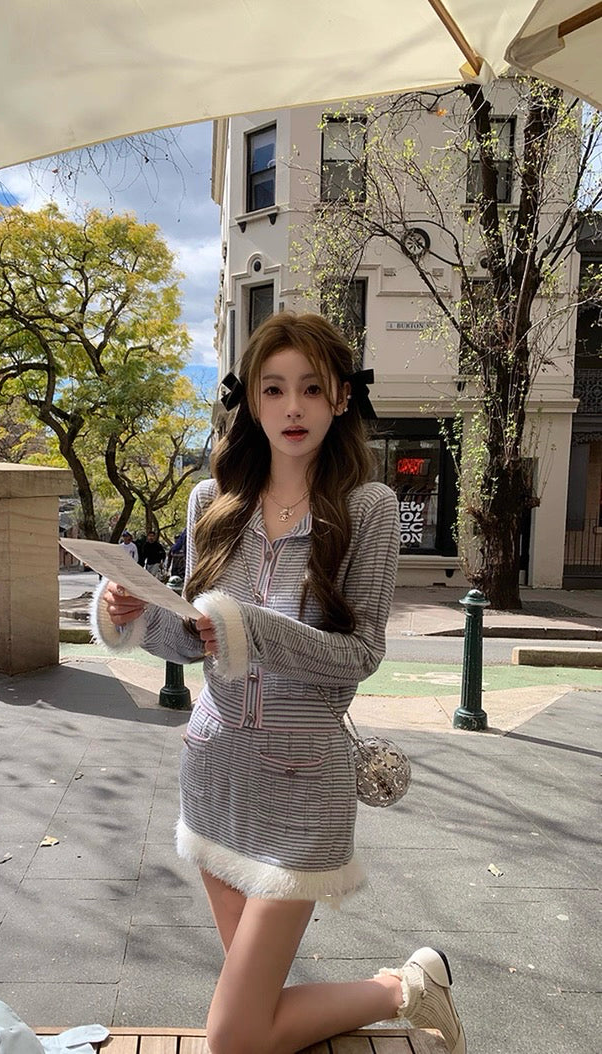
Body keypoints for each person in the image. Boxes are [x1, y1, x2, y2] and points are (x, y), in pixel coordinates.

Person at [91, 312, 465, 1054]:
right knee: (256, 1015)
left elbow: (361, 653)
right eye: (273, 389)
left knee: (233, 1036)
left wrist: (248, 626)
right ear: (252, 402)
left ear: (340, 398)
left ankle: (402, 988)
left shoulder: (367, 508)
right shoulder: (212, 502)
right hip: (216, 771)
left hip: (303, 783)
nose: (293, 407)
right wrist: (131, 614)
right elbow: (193, 640)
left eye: (311, 389)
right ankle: (410, 988)